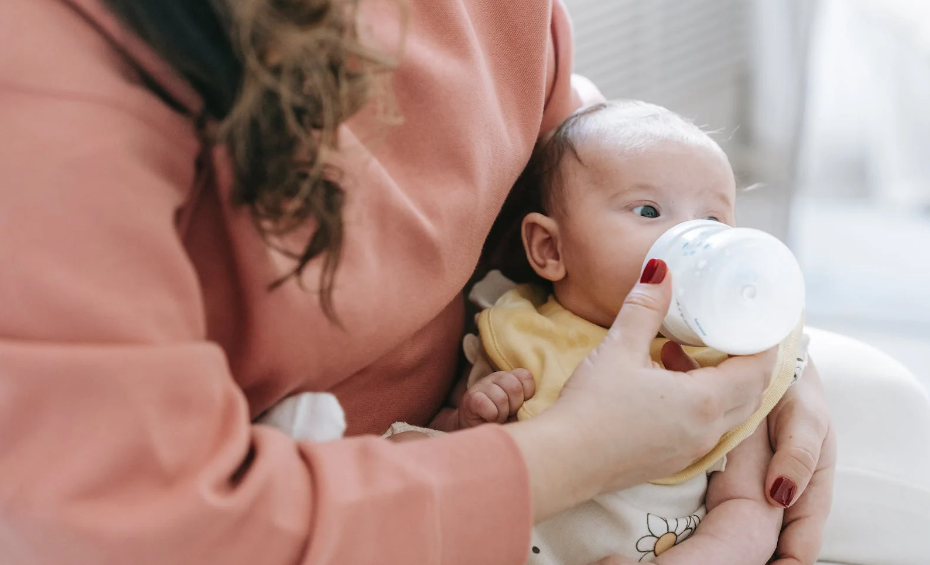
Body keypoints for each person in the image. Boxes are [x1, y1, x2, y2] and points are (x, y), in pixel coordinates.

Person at [0, 1, 835, 564]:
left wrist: (747, 327)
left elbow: (551, 145)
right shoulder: (53, 72)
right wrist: (573, 452)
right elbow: (147, 521)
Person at [419, 100, 805, 564]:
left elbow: (747, 507)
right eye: (647, 211)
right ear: (549, 248)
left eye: (711, 221)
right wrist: (467, 423)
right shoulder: (521, 330)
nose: (690, 237)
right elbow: (439, 446)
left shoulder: (725, 369)